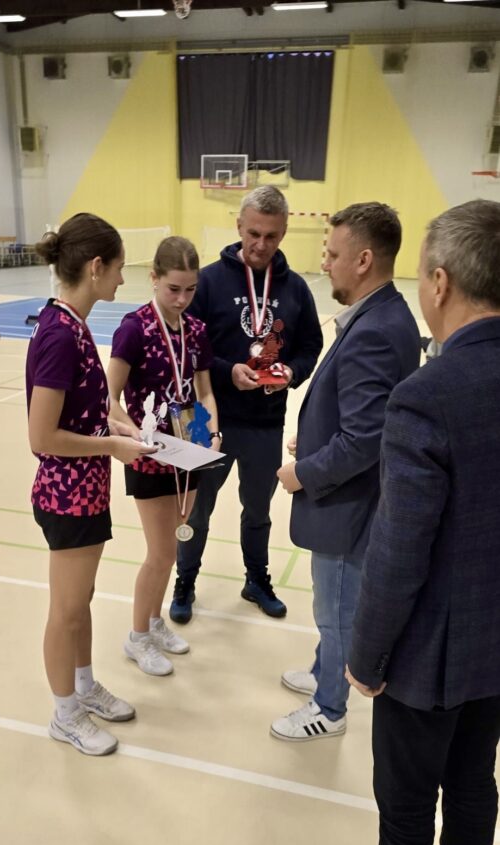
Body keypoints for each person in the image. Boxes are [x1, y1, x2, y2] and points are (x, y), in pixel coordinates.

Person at [306, 198, 500, 845]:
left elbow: (399, 549)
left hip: (430, 650)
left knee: (409, 798)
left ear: (440, 282)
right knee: (476, 777)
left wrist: (366, 654)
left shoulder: (430, 393)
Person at [272, 202, 421, 742]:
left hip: (347, 507)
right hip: (356, 500)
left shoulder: (373, 331)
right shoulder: (385, 314)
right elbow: (364, 419)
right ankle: (324, 671)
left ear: (363, 260)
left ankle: (329, 707)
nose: (324, 263)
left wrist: (303, 471)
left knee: (335, 611)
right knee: (336, 607)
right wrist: (314, 437)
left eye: (332, 254)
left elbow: (364, 439)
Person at [26, 213, 152, 756]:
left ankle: (83, 686)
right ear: (96, 267)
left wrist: (116, 424)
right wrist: (110, 446)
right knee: (67, 610)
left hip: (87, 490)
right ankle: (65, 713)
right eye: (119, 268)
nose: (123, 279)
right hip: (66, 495)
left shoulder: (73, 325)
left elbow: (82, 407)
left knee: (83, 600)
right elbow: (42, 435)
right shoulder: (59, 334)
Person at [169, 185, 323, 624]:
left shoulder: (295, 289)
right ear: (238, 227)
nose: (261, 244)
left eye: (271, 236)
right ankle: (185, 581)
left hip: (265, 422)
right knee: (195, 510)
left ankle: (256, 579)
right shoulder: (208, 282)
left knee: (258, 511)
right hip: (207, 419)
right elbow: (186, 347)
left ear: (283, 232)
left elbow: (310, 345)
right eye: (254, 233)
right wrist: (227, 370)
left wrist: (292, 372)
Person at [108, 236, 220, 676]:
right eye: (174, 288)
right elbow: (108, 397)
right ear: (153, 278)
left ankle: (154, 623)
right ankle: (137, 636)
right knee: (159, 554)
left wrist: (211, 432)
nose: (182, 299)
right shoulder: (134, 328)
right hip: (149, 456)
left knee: (172, 551)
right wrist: (136, 434)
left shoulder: (196, 330)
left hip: (187, 452)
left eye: (190, 290)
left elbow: (204, 391)